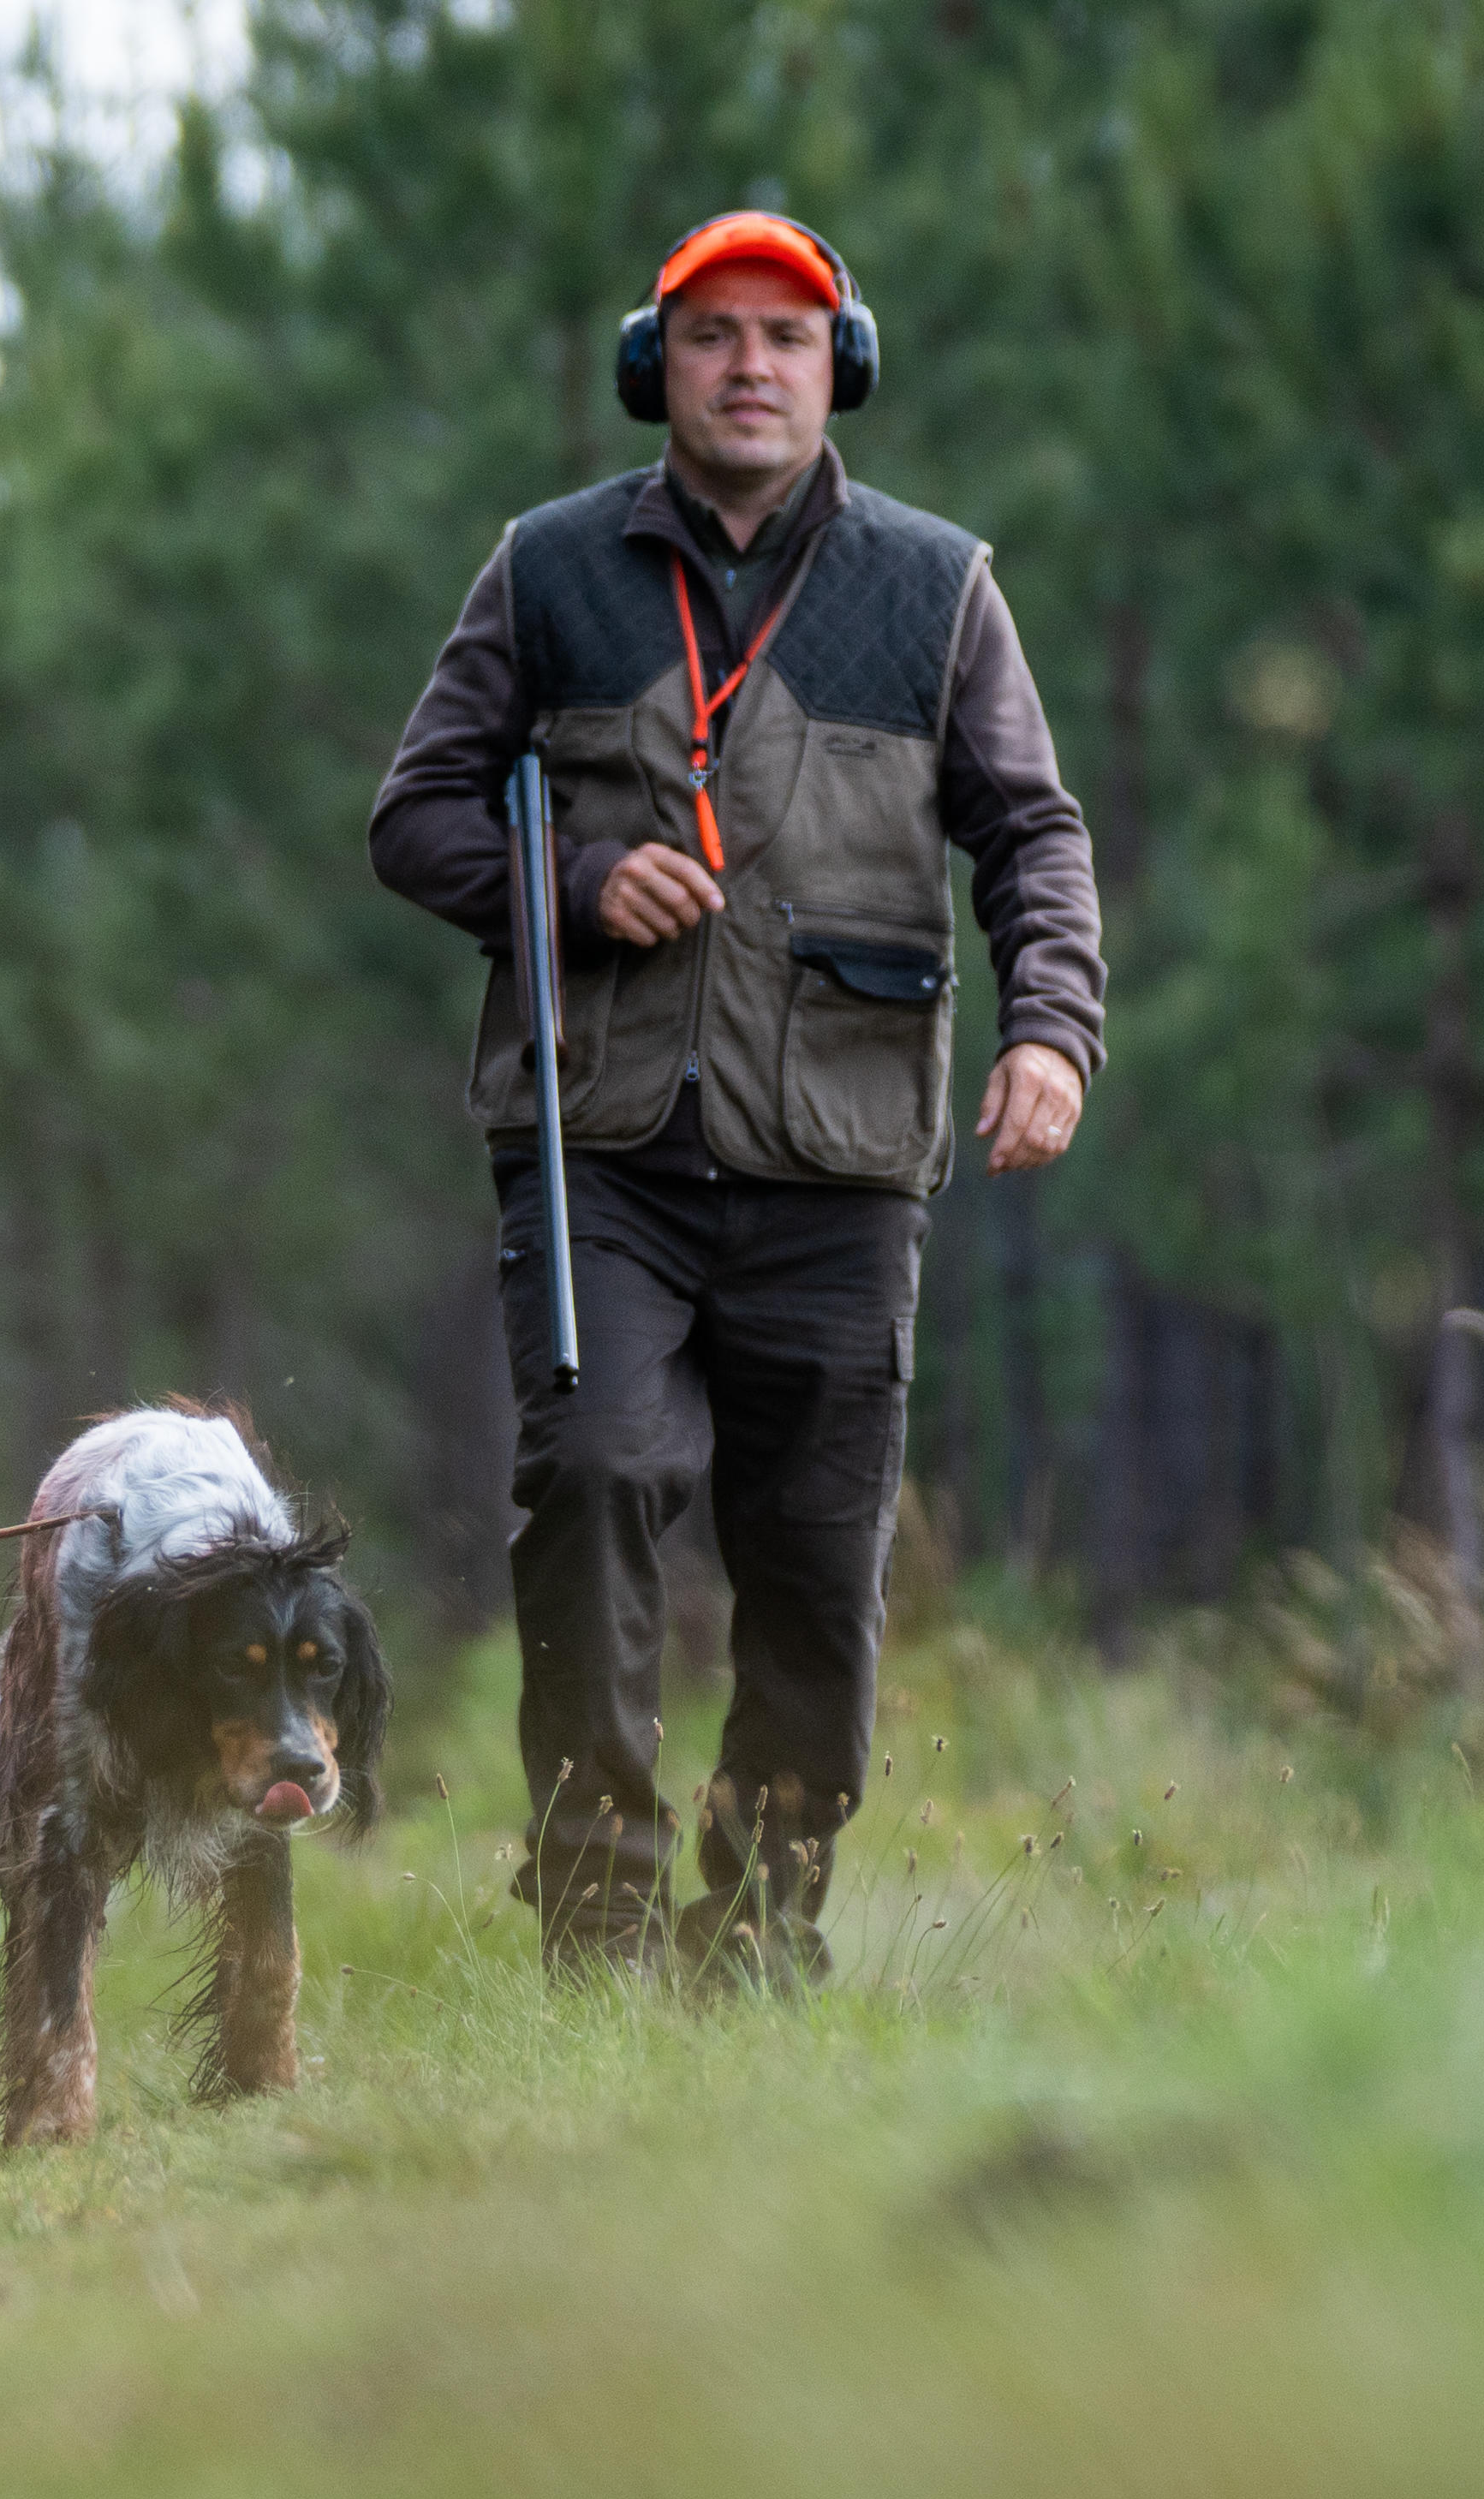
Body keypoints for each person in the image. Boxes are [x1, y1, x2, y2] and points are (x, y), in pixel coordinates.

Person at [368, 212, 1107, 1984]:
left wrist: (1049, 1032)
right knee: (599, 1469)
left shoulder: (935, 586)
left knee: (812, 1559)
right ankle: (600, 1911)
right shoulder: (546, 570)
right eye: (712, 333)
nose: (749, 363)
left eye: (786, 332)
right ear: (657, 365)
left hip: (840, 1158)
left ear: (834, 363)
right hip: (596, 1141)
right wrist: (571, 882)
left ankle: (759, 1919)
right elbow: (414, 816)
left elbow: (1031, 836)